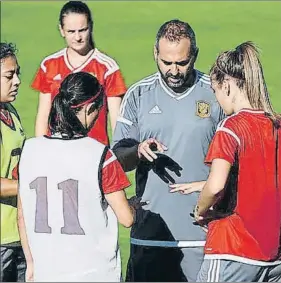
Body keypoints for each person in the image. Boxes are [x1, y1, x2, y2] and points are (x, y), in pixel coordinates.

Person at [112, 19, 225, 282]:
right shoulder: (139, 95)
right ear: (155, 53)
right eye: (166, 62)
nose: (174, 70)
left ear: (194, 55)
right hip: (150, 237)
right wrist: (138, 151)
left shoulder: (215, 93)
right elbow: (117, 158)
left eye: (182, 63)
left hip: (203, 238)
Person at [17, 72, 142, 282]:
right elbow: (126, 218)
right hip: (95, 273)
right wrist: (135, 205)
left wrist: (31, 262)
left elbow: (23, 214)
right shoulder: (100, 155)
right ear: (90, 108)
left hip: (46, 272)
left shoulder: (29, 150)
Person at [192, 42, 281, 282]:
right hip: (273, 256)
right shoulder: (277, 125)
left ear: (227, 86)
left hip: (232, 249)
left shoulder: (231, 127)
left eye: (216, 91)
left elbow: (216, 185)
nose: (218, 100)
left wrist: (201, 211)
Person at [31, 0, 127, 144]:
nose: (77, 37)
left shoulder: (107, 68)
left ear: (91, 27)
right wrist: (40, 147)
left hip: (94, 151)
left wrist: (117, 154)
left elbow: (116, 121)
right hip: (57, 150)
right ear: (61, 30)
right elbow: (43, 116)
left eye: (82, 30)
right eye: (71, 31)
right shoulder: (49, 65)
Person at [0, 42, 26, 282]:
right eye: (9, 75)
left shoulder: (11, 112)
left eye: (17, 73)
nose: (17, 80)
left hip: (20, 234)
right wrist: (33, 186)